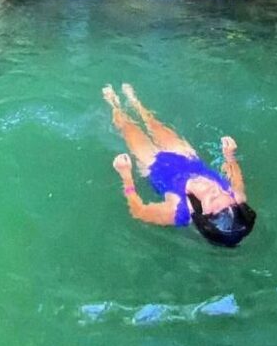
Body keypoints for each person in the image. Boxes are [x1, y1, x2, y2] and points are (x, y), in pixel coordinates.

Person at [103, 83, 256, 248]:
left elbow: (138, 211)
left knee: (127, 127)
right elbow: (236, 180)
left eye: (213, 197)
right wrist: (229, 156)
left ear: (204, 212)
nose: (214, 189)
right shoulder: (236, 198)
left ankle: (114, 103)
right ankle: (136, 103)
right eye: (222, 193)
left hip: (153, 164)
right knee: (153, 122)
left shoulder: (177, 211)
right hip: (186, 156)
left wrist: (125, 175)